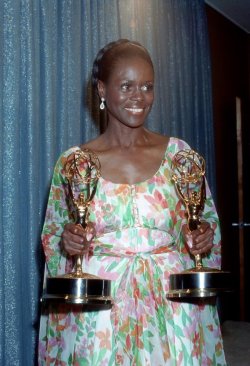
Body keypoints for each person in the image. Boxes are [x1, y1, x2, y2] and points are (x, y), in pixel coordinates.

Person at [38, 39, 226, 365]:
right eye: (126, 85)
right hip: (99, 315)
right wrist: (67, 242)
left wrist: (202, 237)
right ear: (101, 89)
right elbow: (53, 237)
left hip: (172, 310)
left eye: (147, 86)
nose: (138, 96)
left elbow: (205, 224)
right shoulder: (76, 162)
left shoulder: (179, 155)